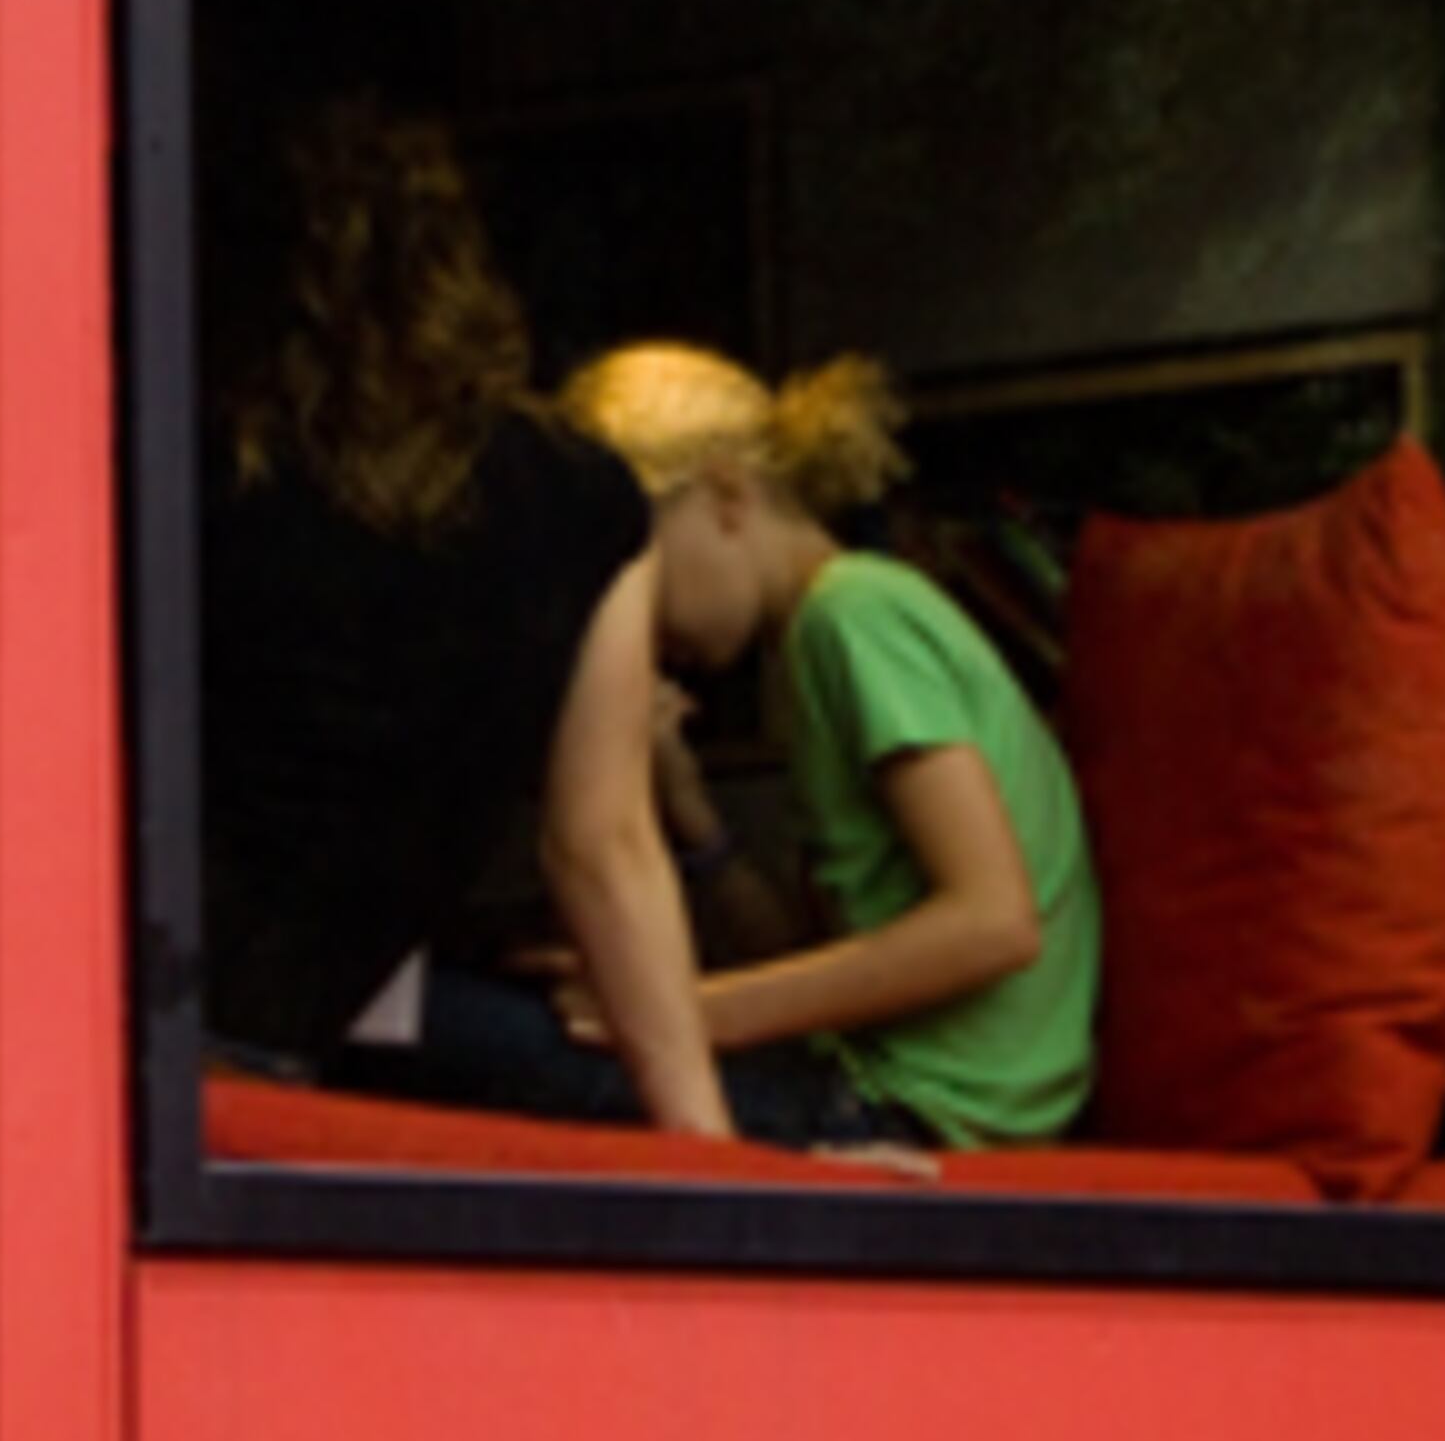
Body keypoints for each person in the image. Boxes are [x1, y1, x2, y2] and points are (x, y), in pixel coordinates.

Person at [194, 104, 728, 1141]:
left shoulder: (196, 465)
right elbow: (604, 842)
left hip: (125, 1030)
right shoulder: (585, 502)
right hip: (288, 1052)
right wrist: (710, 1153)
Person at [561, 341, 1103, 1153]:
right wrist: (693, 817)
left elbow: (993, 922)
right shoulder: (818, 635)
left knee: (456, 1034)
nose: (629, 622)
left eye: (633, 567)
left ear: (726, 494)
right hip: (892, 1085)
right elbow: (823, 972)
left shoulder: (854, 615)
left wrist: (685, 1011)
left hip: (921, 1113)